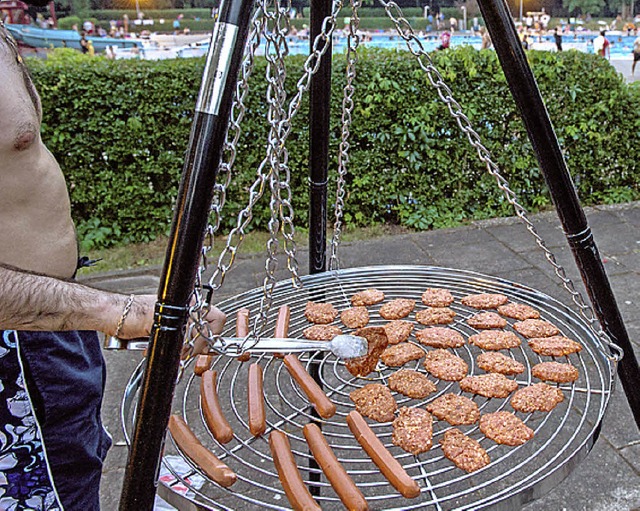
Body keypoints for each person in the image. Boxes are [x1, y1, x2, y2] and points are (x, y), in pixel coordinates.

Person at [0, 12, 225, 511]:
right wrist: (120, 313)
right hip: (13, 361)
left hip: (50, 327)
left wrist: (84, 312)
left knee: (78, 467)